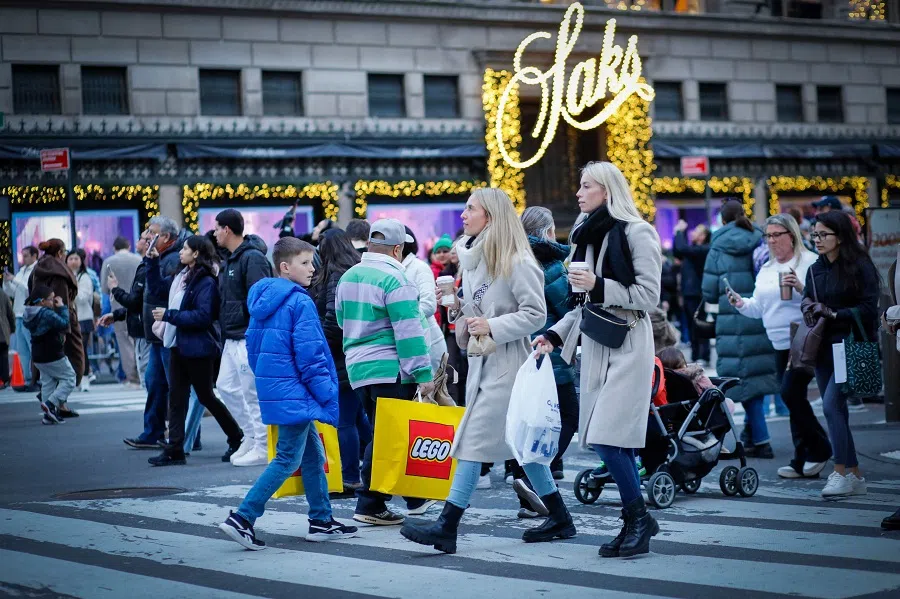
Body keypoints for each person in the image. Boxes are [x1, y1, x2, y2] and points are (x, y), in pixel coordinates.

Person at [401, 188, 564, 555]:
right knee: (523, 449)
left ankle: (448, 525)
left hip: (508, 365)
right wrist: (456, 308)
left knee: (472, 442)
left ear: (489, 215)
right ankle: (560, 515)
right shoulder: (472, 259)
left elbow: (536, 314)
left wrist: (491, 325)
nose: (463, 215)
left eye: (470, 208)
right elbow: (472, 318)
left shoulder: (517, 259)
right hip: (481, 364)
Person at [534, 161, 663, 558]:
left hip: (628, 341)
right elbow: (582, 303)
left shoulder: (639, 232)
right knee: (611, 441)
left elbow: (648, 296)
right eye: (579, 185)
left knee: (609, 437)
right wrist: (553, 335)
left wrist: (599, 284)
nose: (578, 192)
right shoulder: (585, 238)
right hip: (595, 343)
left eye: (586, 186)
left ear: (606, 190)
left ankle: (639, 518)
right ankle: (636, 520)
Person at [218, 237, 357, 549]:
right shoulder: (300, 302)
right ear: (284, 267)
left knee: (312, 455)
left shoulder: (261, 302)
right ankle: (243, 516)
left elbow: (253, 349)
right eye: (305, 263)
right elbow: (312, 357)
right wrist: (326, 395)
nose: (312, 269)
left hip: (278, 390)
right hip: (298, 392)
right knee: (286, 458)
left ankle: (321, 519)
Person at [336, 218, 435, 526]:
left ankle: (412, 497)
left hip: (359, 368)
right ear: (397, 248)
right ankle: (371, 501)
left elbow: (342, 320)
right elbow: (409, 331)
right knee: (387, 437)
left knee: (386, 434)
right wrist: (423, 373)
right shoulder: (397, 277)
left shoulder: (349, 276)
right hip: (391, 368)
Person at [728, 214, 829, 476]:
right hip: (778, 341)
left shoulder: (809, 262)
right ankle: (801, 457)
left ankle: (819, 448)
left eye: (776, 235)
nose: (771, 241)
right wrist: (741, 304)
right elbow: (759, 308)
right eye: (768, 236)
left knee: (790, 394)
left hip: (804, 337)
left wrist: (799, 286)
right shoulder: (767, 268)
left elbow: (821, 300)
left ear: (792, 235)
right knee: (793, 399)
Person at [145, 235, 244, 467]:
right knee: (177, 398)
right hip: (179, 345)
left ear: (197, 254)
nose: (181, 252)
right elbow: (159, 288)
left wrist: (169, 315)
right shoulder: (182, 276)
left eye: (185, 249)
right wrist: (151, 263)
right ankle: (175, 449)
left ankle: (236, 436)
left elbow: (203, 316)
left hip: (199, 348)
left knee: (206, 396)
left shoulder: (206, 281)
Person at [804, 211, 879, 499]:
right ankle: (855, 474)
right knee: (836, 409)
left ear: (840, 236)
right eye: (815, 234)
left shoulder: (859, 265)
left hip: (849, 344)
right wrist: (809, 306)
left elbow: (870, 308)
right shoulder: (815, 268)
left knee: (832, 404)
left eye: (824, 234)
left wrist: (836, 313)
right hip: (822, 345)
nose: (818, 239)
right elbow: (807, 298)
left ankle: (841, 472)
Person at [702, 199, 779, 459]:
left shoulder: (717, 246)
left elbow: (709, 290)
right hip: (758, 314)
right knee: (755, 377)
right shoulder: (760, 239)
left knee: (735, 380)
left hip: (731, 317)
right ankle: (754, 434)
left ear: (722, 220)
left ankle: (760, 438)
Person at [520, 206, 578, 483]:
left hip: (527, 350)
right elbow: (568, 310)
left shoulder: (518, 260)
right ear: (548, 232)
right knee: (569, 415)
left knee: (534, 416)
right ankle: (539, 470)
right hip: (550, 351)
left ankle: (530, 470)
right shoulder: (551, 266)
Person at [309, 229, 370, 492]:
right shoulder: (355, 270)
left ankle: (351, 477)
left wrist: (316, 339)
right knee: (358, 419)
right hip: (355, 352)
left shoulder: (336, 275)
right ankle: (379, 467)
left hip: (340, 356)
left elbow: (334, 322)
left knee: (346, 420)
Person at [213, 209, 274, 467]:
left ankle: (262, 443)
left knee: (251, 393)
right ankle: (251, 435)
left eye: (217, 228)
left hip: (247, 335)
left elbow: (260, 299)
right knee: (225, 387)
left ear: (227, 229)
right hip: (231, 335)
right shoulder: (231, 259)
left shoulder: (251, 258)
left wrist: (255, 333)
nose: (214, 233)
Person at [138, 216, 191, 449]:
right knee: (156, 383)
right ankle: (154, 433)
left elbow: (162, 291)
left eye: (152, 232)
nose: (148, 236)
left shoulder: (171, 259)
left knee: (173, 386)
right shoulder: (162, 257)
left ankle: (183, 437)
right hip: (160, 332)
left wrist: (151, 264)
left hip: (168, 331)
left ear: (167, 238)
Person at [29, 239, 84, 416]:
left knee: (48, 373)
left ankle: (53, 407)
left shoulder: (38, 268)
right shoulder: (59, 272)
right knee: (73, 366)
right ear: (60, 253)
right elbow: (63, 302)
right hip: (61, 322)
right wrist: (65, 329)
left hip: (41, 323)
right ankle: (55, 404)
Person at [102, 233, 150, 390]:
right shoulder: (138, 260)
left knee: (125, 343)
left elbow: (105, 287)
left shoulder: (109, 262)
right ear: (128, 246)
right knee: (141, 342)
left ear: (114, 248)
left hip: (119, 303)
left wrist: (115, 288)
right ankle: (140, 374)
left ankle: (132, 377)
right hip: (139, 305)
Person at [24, 285, 77, 424]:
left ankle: (48, 416)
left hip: (37, 354)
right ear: (42, 301)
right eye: (51, 299)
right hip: (52, 352)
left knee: (48, 382)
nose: (53, 301)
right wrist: (62, 307)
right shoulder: (46, 313)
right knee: (70, 378)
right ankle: (50, 404)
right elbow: (64, 324)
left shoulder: (29, 313)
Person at [401, 226, 447, 374]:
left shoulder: (419, 268)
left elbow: (428, 304)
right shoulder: (392, 268)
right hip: (408, 346)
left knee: (434, 395)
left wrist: (399, 318)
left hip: (428, 345)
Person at [673, 220, 711, 364]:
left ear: (702, 236)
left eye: (697, 232)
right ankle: (696, 356)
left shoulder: (703, 249)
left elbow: (681, 248)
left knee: (700, 324)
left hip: (698, 293)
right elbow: (677, 250)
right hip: (689, 293)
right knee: (691, 325)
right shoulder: (693, 250)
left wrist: (679, 231)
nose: (693, 233)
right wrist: (677, 234)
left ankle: (703, 355)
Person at [3, 246, 38, 390]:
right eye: (22, 256)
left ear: (34, 256)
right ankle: (27, 378)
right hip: (18, 313)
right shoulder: (22, 271)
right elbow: (11, 293)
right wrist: (6, 282)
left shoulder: (37, 271)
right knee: (22, 349)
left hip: (30, 314)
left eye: (26, 256)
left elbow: (32, 290)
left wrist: (15, 280)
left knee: (32, 348)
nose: (23, 259)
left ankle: (36, 379)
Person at [67, 249, 95, 393]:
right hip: (69, 318)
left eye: (76, 258)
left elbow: (83, 297)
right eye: (70, 258)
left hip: (83, 318)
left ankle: (84, 379)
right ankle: (76, 379)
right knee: (71, 351)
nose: (73, 261)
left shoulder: (85, 277)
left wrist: (69, 291)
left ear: (81, 261)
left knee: (82, 350)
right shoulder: (65, 276)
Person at [0, 286, 13, 389]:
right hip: (3, 332)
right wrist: (12, 328)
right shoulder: (3, 294)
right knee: (3, 357)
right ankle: (5, 380)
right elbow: (10, 313)